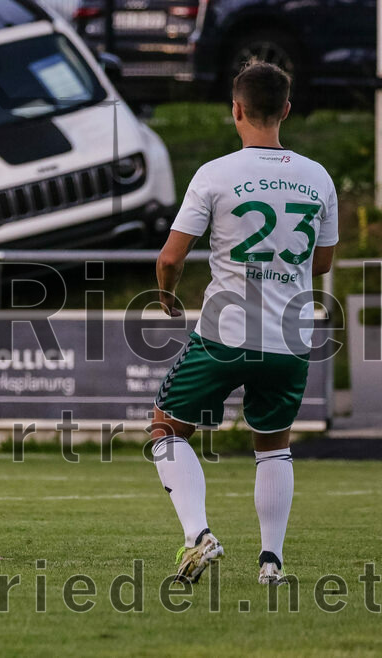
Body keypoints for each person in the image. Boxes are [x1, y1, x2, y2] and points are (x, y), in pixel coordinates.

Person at [149, 61, 338, 584]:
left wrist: (167, 296)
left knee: (165, 426)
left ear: (236, 110)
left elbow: (169, 258)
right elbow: (321, 263)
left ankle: (198, 536)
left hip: (225, 333)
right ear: (286, 110)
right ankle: (271, 562)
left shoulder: (215, 174)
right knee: (273, 444)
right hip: (291, 338)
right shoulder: (318, 176)